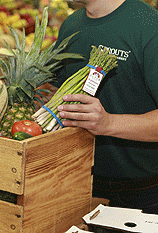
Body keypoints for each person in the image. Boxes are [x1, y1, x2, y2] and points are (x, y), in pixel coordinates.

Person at [52, 0, 158, 215]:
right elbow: (55, 87)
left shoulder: (149, 26)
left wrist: (108, 123)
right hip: (74, 182)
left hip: (142, 192)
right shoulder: (71, 25)